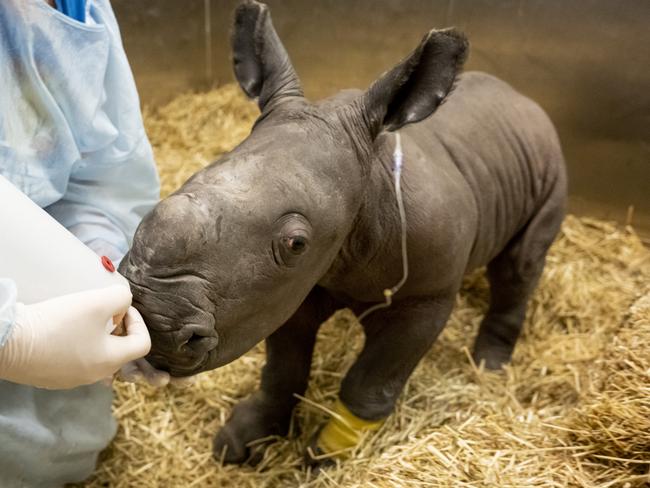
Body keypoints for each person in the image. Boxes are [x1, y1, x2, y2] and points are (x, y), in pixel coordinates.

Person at [0, 0, 166, 485]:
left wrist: (94, 254)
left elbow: (104, 167)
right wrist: (13, 338)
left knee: (57, 450)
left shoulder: (73, 7)